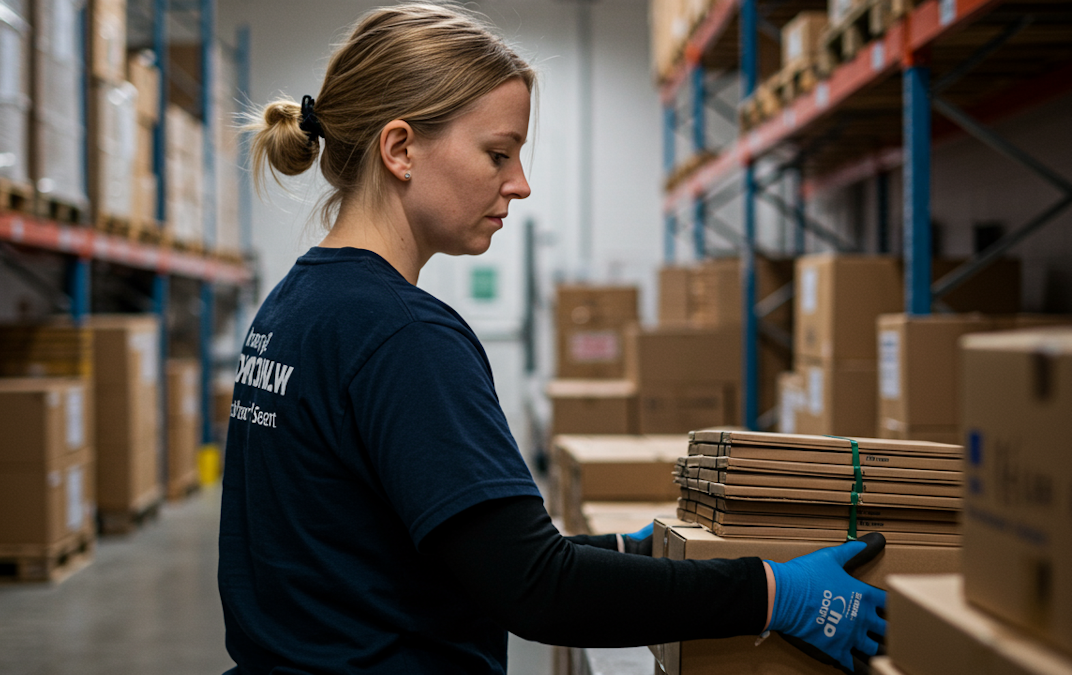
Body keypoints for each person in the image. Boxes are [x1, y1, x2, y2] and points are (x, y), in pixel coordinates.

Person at [218, 4, 886, 674]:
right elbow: (538, 591)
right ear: (400, 149)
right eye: (497, 153)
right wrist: (772, 593)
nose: (520, 183)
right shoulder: (402, 334)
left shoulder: (295, 305)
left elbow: (405, 553)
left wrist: (616, 554)